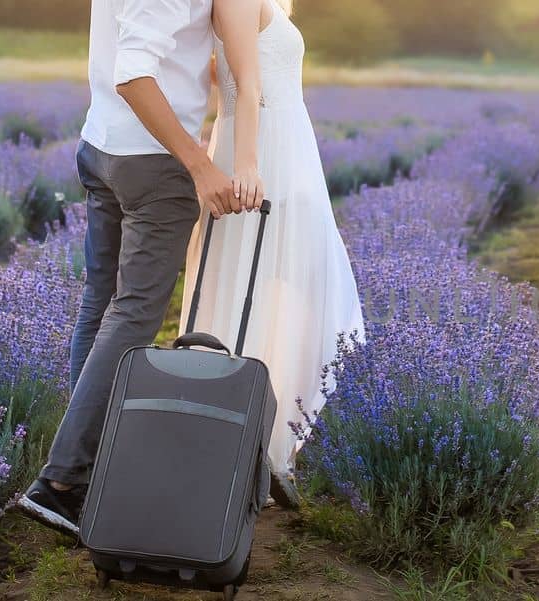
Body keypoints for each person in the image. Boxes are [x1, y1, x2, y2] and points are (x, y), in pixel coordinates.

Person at [17, 0, 248, 537]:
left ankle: (81, 467)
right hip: (152, 163)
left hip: (102, 145)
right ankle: (61, 482)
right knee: (133, 316)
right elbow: (134, 74)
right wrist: (200, 164)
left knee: (102, 309)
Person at [177, 0, 364, 508]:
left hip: (288, 144)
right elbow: (247, 86)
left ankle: (271, 443)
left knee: (294, 288)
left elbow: (223, 71)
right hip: (264, 150)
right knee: (247, 288)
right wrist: (247, 165)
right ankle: (240, 444)